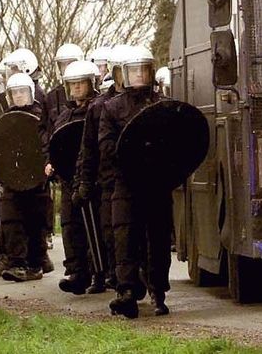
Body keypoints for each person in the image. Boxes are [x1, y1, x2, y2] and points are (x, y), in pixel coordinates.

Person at [101, 45, 175, 318]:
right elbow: (106, 147)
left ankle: (158, 291)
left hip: (156, 183)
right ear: (123, 74)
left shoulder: (162, 104)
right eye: (133, 71)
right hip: (126, 183)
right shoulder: (111, 108)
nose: (138, 77)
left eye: (143, 70)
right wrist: (132, 153)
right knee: (125, 239)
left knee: (157, 240)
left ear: (150, 71)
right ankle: (127, 292)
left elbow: (174, 142)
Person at [75, 44, 131, 293]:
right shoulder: (100, 106)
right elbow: (89, 149)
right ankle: (117, 279)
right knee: (113, 234)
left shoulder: (152, 101)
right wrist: (84, 181)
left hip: (143, 180)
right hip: (108, 180)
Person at [53, 60, 100, 295]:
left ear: (91, 83)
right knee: (70, 226)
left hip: (95, 178)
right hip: (69, 179)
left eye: (80, 83)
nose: (76, 89)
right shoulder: (64, 117)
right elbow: (57, 145)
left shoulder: (101, 110)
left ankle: (100, 273)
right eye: (72, 84)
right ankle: (77, 272)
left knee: (96, 225)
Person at [0, 72, 50, 282]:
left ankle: (36, 262)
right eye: (14, 93)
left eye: (22, 91)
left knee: (35, 221)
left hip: (36, 179)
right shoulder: (5, 120)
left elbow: (45, 145)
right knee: (11, 219)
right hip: (13, 177)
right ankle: (17, 263)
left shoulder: (40, 117)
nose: (18, 96)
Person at [47, 43, 84, 126]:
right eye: (63, 64)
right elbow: (43, 128)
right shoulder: (52, 97)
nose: (67, 67)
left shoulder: (89, 92)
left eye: (71, 63)